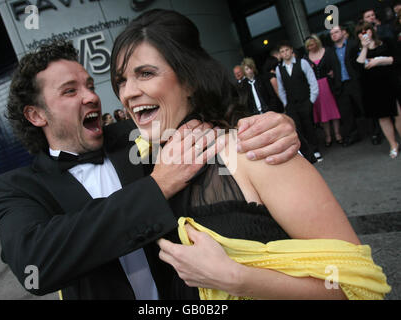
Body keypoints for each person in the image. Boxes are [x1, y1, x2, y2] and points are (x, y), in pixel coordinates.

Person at [0, 41, 300, 300]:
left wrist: (271, 124)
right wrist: (157, 187)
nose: (91, 96)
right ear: (36, 114)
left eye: (90, 85)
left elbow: (205, 122)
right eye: (70, 91)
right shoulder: (15, 188)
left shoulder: (137, 136)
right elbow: (36, 265)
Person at [110, 9, 389, 300]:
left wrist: (237, 279)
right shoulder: (144, 163)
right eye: (121, 81)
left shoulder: (254, 149)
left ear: (189, 79)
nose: (128, 92)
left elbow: (354, 286)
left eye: (145, 73)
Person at [356, 22, 401, 158]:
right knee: (383, 118)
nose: (365, 34)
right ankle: (393, 144)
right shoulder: (356, 49)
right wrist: (364, 48)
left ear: (372, 31)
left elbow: (397, 59)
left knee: (398, 114)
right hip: (373, 89)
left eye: (367, 30)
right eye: (361, 32)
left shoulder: (385, 42)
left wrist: (380, 61)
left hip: (390, 84)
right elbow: (358, 68)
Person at [275, 41, 322, 162]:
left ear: (291, 50)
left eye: (286, 50)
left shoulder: (303, 63)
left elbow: (312, 82)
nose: (285, 53)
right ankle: (306, 154)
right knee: (297, 129)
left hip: (305, 101)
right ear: (280, 54)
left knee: (309, 127)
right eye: (282, 51)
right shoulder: (279, 69)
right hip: (291, 104)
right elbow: (281, 88)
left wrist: (311, 101)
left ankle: (315, 150)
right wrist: (285, 103)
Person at [326, 25, 365, 146]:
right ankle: (353, 135)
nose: (334, 35)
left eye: (336, 32)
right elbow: (327, 67)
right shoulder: (330, 51)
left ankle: (376, 131)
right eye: (332, 33)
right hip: (341, 85)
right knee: (346, 113)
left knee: (364, 106)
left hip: (355, 82)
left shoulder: (353, 45)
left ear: (343, 32)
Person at [305, 35, 343, 147]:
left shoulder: (327, 51)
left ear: (317, 43)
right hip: (316, 87)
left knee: (333, 110)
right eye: (308, 46)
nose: (311, 47)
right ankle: (328, 136)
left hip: (328, 85)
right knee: (323, 114)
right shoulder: (305, 58)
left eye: (312, 44)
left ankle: (337, 134)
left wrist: (334, 76)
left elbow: (335, 66)